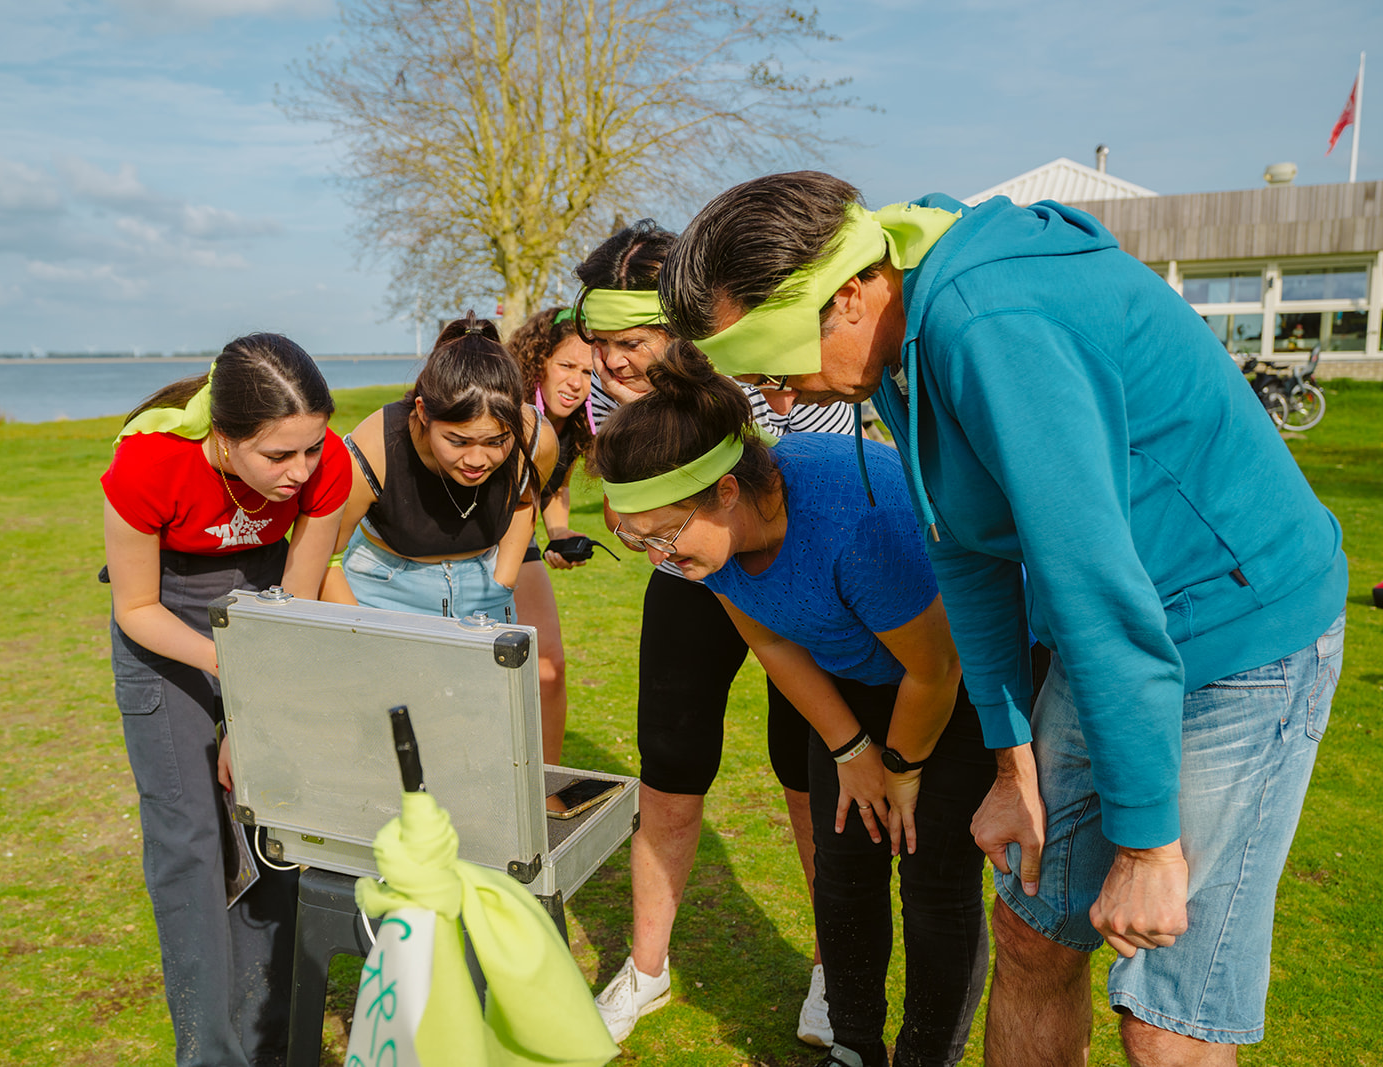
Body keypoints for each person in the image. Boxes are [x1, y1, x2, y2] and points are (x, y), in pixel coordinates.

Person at [660, 171, 1348, 1066]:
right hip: (1112, 634)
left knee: (1162, 1006)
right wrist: (1011, 759)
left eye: (774, 364)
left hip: (1237, 635)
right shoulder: (901, 341)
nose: (779, 401)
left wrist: (1145, 841)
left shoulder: (989, 327)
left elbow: (1096, 587)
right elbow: (967, 550)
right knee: (1030, 930)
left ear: (852, 294)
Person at [592, 349, 995, 1067]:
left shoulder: (853, 522)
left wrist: (898, 765)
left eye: (664, 533)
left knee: (932, 874)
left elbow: (936, 666)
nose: (658, 554)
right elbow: (773, 640)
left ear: (724, 492)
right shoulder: (702, 551)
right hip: (858, 683)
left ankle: (926, 1056)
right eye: (639, 539)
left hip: (959, 681)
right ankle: (854, 1046)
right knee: (844, 866)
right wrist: (850, 751)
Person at [575, 220, 860, 1047]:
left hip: (790, 577)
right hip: (688, 579)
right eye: (597, 344)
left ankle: (832, 972)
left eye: (629, 342)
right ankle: (647, 970)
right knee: (669, 773)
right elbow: (641, 506)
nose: (610, 363)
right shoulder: (607, 393)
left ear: (682, 329)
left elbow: (806, 487)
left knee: (808, 778)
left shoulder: (767, 366)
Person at [101, 333, 352, 1067]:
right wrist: (232, 679)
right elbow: (135, 607)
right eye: (279, 456)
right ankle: (209, 1055)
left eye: (311, 448)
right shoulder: (148, 464)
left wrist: (256, 705)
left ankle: (260, 1042)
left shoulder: (325, 463)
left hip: (267, 610)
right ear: (223, 436)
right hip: (168, 628)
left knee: (272, 828)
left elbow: (299, 594)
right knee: (190, 843)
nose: (301, 471)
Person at [323, 313, 557, 626]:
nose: (477, 460)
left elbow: (524, 501)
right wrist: (360, 628)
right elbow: (326, 555)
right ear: (423, 412)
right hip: (382, 591)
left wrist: (504, 579)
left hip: (486, 586)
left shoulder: (536, 439)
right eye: (458, 441)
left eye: (496, 441)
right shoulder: (372, 450)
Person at [506, 305, 599, 769]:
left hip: (519, 544)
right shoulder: (508, 413)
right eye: (566, 366)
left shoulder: (574, 424)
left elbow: (554, 484)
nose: (576, 383)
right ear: (536, 362)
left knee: (549, 668)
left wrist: (559, 531)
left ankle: (547, 785)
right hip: (462, 548)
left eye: (587, 371)